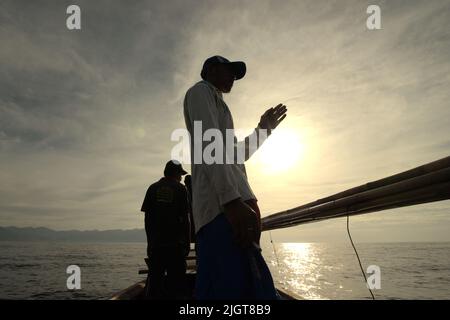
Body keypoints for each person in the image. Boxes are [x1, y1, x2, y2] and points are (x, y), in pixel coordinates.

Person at [183, 55, 287, 299]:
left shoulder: (218, 104)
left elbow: (236, 155)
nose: (233, 78)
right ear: (211, 70)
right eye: (229, 71)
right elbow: (208, 143)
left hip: (230, 214)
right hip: (224, 215)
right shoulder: (200, 93)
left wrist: (263, 130)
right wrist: (231, 200)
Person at [140, 160, 190, 299]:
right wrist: (186, 243)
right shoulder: (181, 189)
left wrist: (150, 243)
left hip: (156, 246)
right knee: (177, 287)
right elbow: (186, 219)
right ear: (175, 174)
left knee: (154, 285)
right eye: (180, 174)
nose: (181, 178)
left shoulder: (152, 188)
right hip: (176, 246)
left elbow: (147, 220)